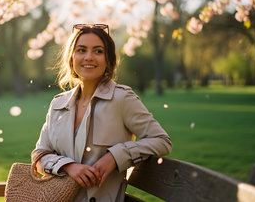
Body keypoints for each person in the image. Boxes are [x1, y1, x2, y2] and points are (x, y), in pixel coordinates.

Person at [31, 23, 172, 202]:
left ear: (108, 60)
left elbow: (162, 141)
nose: (89, 57)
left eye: (98, 51)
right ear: (72, 57)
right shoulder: (58, 103)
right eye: (81, 50)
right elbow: (39, 155)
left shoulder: (122, 98)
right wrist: (69, 167)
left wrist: (115, 156)